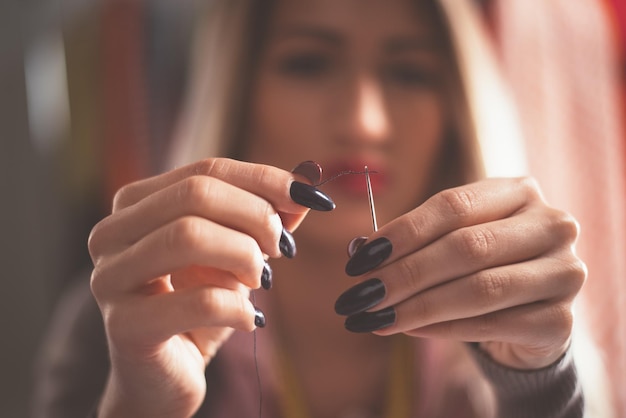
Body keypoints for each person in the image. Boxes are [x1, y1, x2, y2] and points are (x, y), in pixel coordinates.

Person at [31, 0, 588, 417]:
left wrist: (536, 385)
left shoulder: (519, 331)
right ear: (241, 92)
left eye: (409, 72)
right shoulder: (123, 329)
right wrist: (138, 403)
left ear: (455, 109)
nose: (363, 121)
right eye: (309, 64)